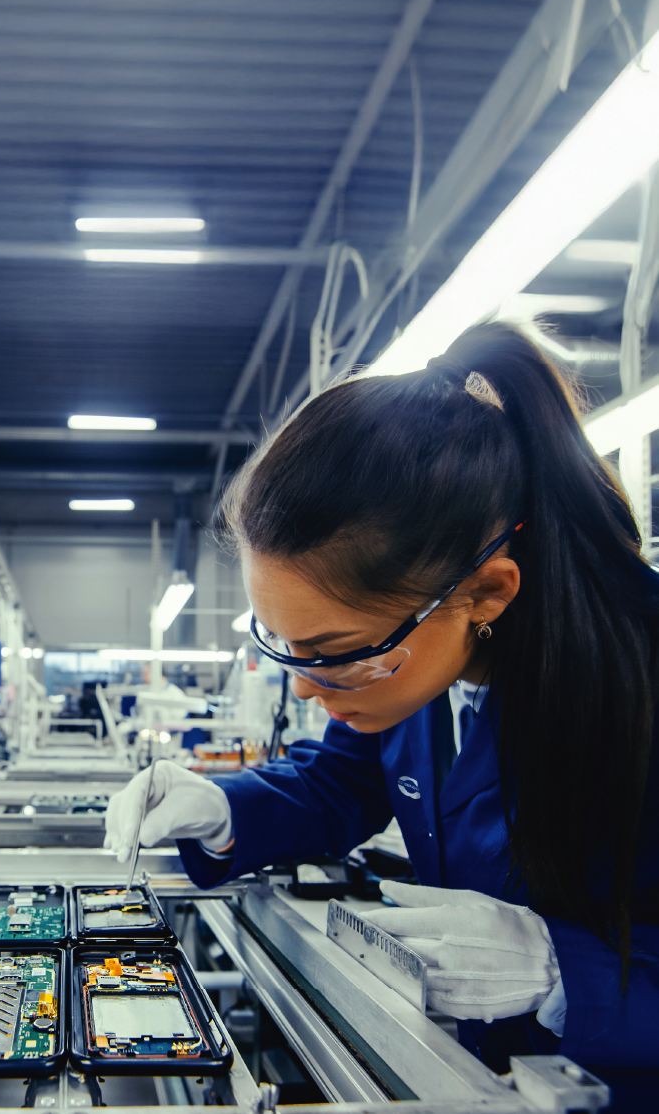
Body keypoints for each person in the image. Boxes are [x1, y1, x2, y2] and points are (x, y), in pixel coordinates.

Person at [105, 323, 658, 1107]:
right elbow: (342, 783)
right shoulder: (415, 664)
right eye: (286, 644)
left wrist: (570, 971)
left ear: (488, 592)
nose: (303, 688)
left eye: (334, 650)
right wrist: (222, 808)